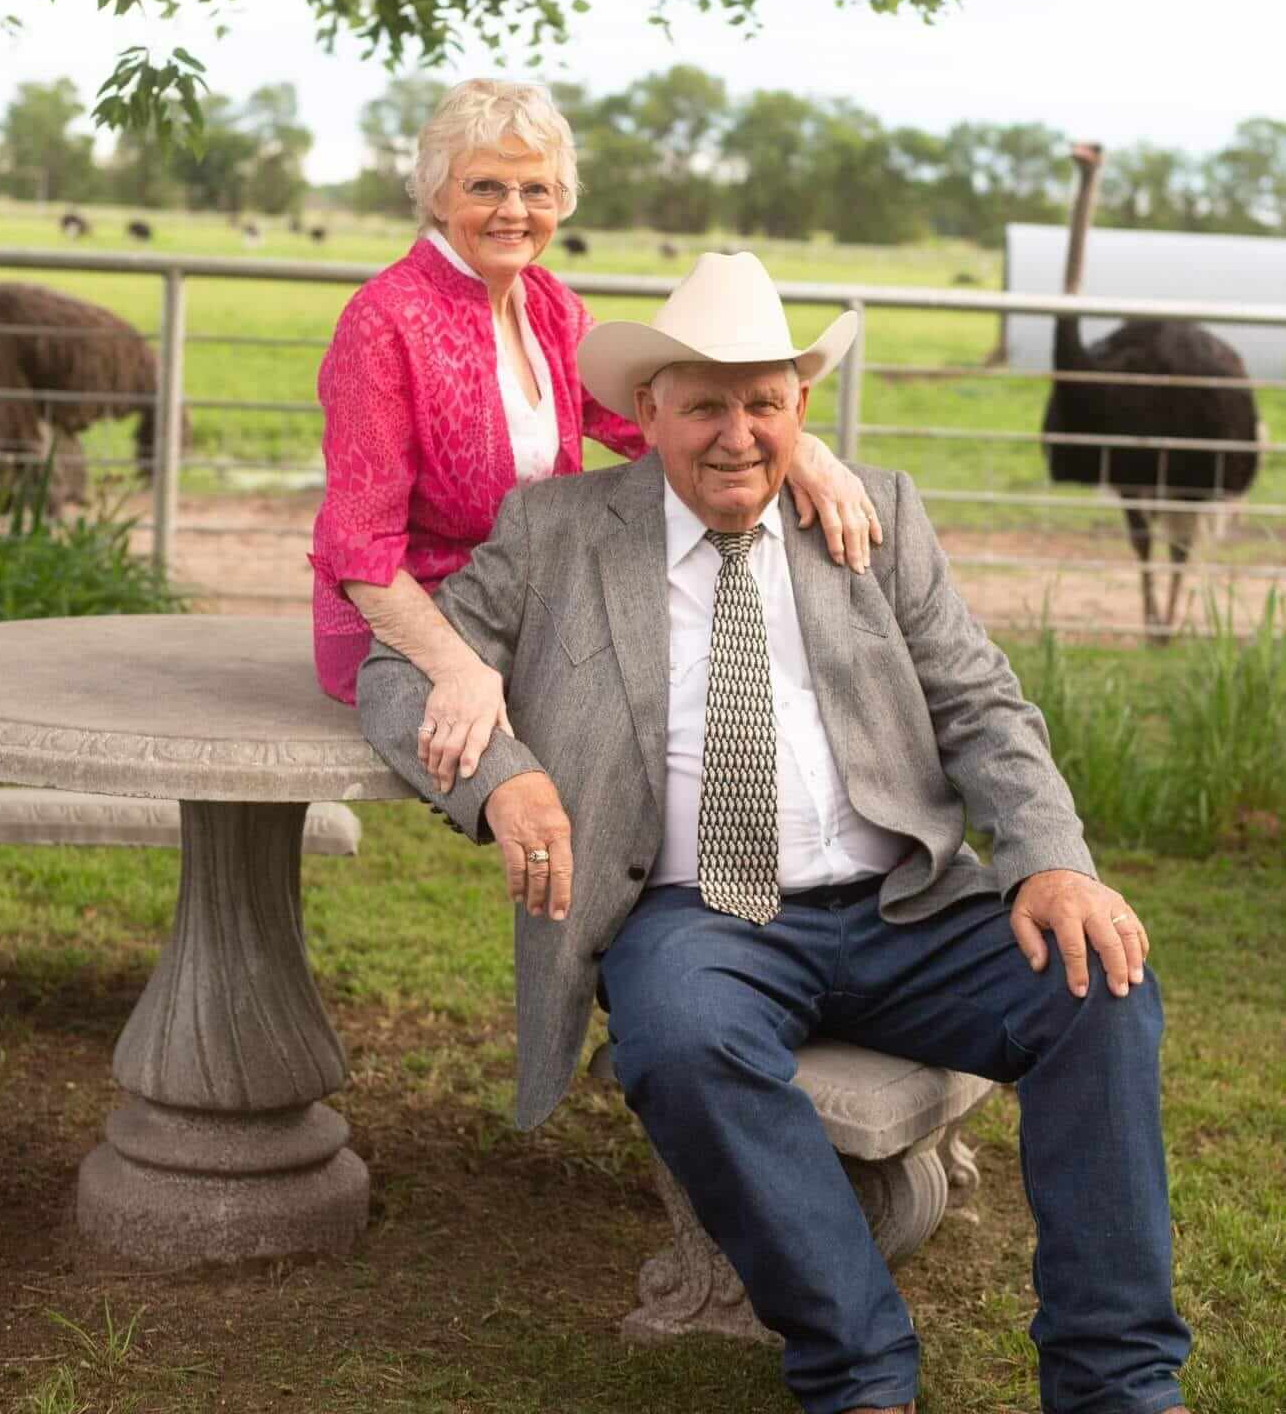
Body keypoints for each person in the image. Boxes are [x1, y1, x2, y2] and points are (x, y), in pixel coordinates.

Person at [358, 250, 1192, 1414]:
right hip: (701, 915)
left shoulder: (875, 512)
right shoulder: (556, 533)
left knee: (1102, 983)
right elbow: (398, 674)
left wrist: (1052, 860)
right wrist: (502, 777)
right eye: (703, 403)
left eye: (764, 400)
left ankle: (1117, 1381)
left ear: (802, 403)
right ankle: (860, 1372)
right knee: (681, 1042)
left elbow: (980, 703)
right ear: (645, 411)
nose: (736, 432)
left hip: (906, 905)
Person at [309, 79, 882, 737]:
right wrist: (458, 665)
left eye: (537, 191)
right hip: (411, 628)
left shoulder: (549, 306)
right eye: (485, 187)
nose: (513, 211)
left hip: (525, 606)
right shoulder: (383, 320)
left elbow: (656, 428)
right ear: (436, 195)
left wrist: (801, 451)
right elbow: (359, 546)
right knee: (637, 712)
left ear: (563, 202)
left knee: (692, 689)